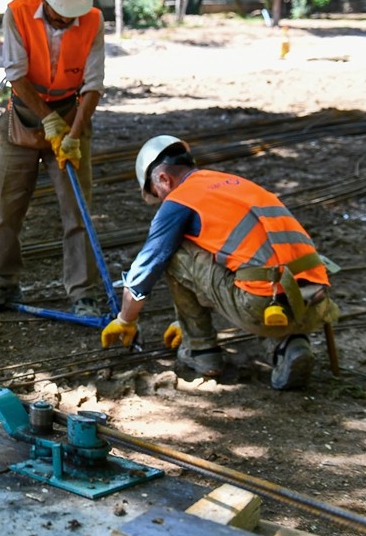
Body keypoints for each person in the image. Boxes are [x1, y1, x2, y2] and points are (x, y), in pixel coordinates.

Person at [100, 135, 340, 390]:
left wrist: (126, 319)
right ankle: (291, 344)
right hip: (315, 303)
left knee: (173, 252)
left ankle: (200, 350)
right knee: (255, 267)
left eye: (157, 194)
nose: (161, 201)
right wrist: (184, 320)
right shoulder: (234, 185)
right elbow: (237, 253)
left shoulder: (181, 199)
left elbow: (147, 266)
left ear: (163, 179)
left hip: (262, 307)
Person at [0, 0, 107, 316]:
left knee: (77, 211)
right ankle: (4, 282)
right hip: (23, 117)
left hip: (71, 115)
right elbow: (16, 75)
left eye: (71, 15)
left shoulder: (93, 20)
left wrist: (73, 134)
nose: (67, 20)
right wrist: (48, 121)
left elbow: (93, 84)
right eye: (61, 13)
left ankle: (82, 293)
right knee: (6, 208)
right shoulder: (17, 13)